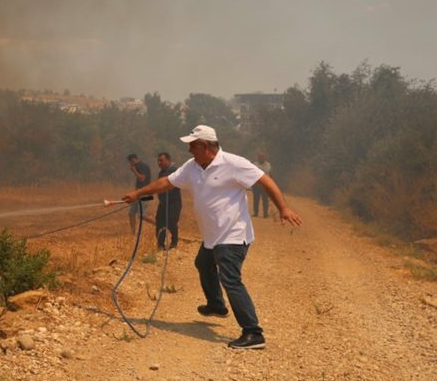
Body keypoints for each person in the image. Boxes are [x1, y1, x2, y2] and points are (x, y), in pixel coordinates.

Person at [121, 125, 303, 350]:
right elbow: (167, 182)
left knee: (230, 280)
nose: (189, 150)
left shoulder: (234, 164)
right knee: (203, 263)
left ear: (205, 146)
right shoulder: (192, 167)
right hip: (213, 237)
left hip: (233, 235)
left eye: (193, 146)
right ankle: (217, 305)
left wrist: (283, 208)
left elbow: (265, 181)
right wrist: (139, 193)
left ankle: (253, 333)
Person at [154, 151, 182, 250]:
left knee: (171, 223)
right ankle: (160, 245)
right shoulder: (161, 172)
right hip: (162, 203)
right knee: (159, 223)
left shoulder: (175, 171)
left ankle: (174, 244)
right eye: (158, 161)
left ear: (168, 160)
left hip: (173, 203)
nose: (159, 163)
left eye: (161, 160)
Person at [126, 153, 154, 234]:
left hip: (146, 194)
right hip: (138, 194)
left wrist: (134, 170)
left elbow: (142, 178)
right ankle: (133, 233)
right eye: (130, 162)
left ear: (137, 158)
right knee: (131, 214)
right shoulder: (138, 166)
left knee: (142, 215)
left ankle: (158, 225)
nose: (132, 163)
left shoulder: (142, 166)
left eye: (132, 161)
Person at [252, 153, 273, 218]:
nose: (262, 158)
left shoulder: (268, 165)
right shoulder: (254, 164)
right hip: (256, 184)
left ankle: (265, 214)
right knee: (256, 199)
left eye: (263, 157)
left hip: (265, 185)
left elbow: (270, 174)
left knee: (265, 200)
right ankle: (256, 213)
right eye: (260, 157)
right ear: (258, 158)